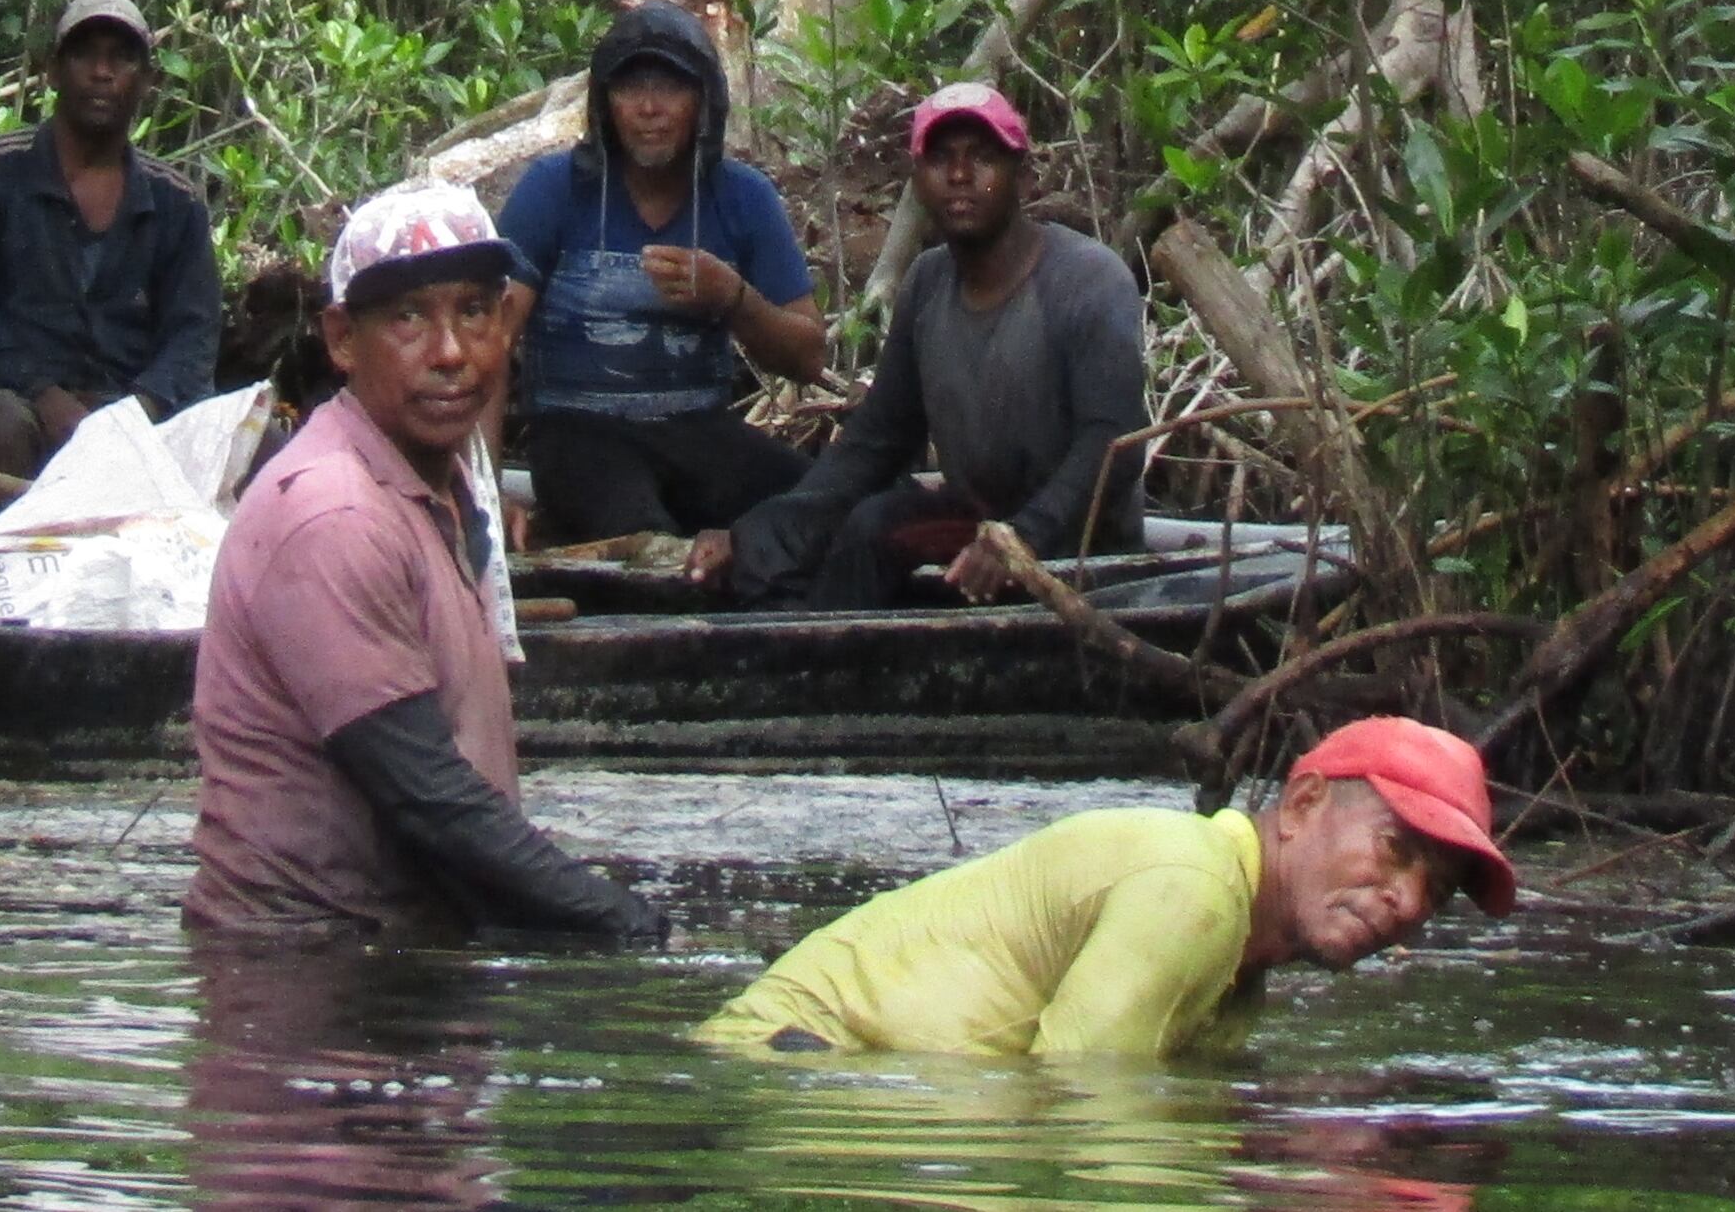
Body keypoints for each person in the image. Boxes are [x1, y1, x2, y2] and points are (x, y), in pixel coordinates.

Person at [186, 178, 659, 944]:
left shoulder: (442, 482)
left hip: (398, 951)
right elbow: (428, 798)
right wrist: (632, 930)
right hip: (305, 974)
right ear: (342, 340)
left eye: (473, 312)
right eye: (408, 317)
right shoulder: (332, 513)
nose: (450, 354)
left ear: (506, 323)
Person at [699, 717, 1511, 1056]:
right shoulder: (1192, 891)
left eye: (1435, 893)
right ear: (1302, 803)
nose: (1408, 902)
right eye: (1396, 850)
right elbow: (1084, 1113)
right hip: (793, 1068)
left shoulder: (1240, 969)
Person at [704, 82, 1144, 609]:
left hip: (1080, 548)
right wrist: (765, 529)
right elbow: (880, 437)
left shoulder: (1088, 280)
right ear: (918, 181)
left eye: (982, 158)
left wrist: (1023, 539)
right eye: (940, 160)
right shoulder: (927, 281)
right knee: (862, 525)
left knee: (878, 532)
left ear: (1022, 177)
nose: (960, 176)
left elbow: (1115, 443)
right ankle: (811, 665)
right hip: (977, 523)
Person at [497, 0, 824, 545]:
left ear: (704, 101)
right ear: (605, 104)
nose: (649, 108)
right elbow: (489, 341)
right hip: (578, 436)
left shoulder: (744, 196)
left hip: (700, 433)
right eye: (630, 88)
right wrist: (485, 488)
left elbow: (809, 355)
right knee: (644, 544)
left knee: (833, 508)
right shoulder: (554, 188)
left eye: (670, 87)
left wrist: (733, 298)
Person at [0, 0, 223, 480]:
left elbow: (193, 334)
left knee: (259, 439)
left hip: (134, 417)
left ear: (146, 80)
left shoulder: (176, 202)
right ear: (54, 70)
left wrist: (135, 415)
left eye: (121, 59)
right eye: (85, 54)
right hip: (17, 407)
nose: (102, 73)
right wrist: (45, 395)